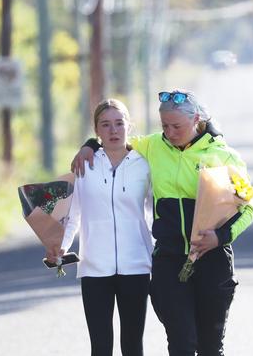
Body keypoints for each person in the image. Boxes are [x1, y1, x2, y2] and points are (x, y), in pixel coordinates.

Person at [72, 90, 253, 356]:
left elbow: (247, 209)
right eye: (164, 126)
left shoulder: (225, 156)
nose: (169, 132)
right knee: (181, 344)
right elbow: (115, 140)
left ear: (196, 120)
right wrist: (89, 144)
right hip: (170, 262)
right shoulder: (153, 146)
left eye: (176, 126)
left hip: (213, 261)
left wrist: (222, 236)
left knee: (210, 347)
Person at [47, 99, 153, 356]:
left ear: (129, 126)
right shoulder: (84, 166)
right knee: (101, 347)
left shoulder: (146, 164)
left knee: (133, 345)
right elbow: (73, 216)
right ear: (96, 130)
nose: (113, 130)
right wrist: (60, 248)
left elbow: (158, 212)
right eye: (105, 125)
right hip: (94, 268)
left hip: (136, 266)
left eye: (119, 124)